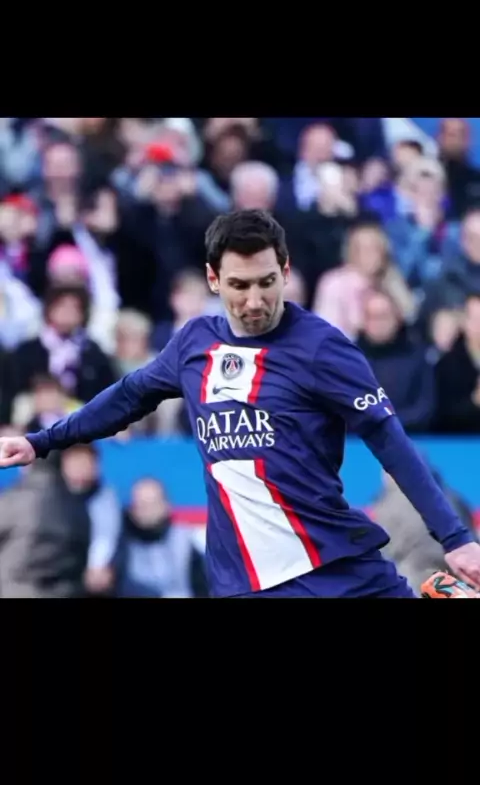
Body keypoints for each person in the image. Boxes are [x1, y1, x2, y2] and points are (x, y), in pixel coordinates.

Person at [1, 209, 480, 598]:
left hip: (335, 566)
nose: (255, 300)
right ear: (214, 279)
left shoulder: (322, 347)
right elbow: (128, 396)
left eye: (266, 282)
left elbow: (388, 439)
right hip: (243, 581)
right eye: (239, 285)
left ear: (285, 272)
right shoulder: (193, 344)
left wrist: (455, 538)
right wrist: (43, 441)